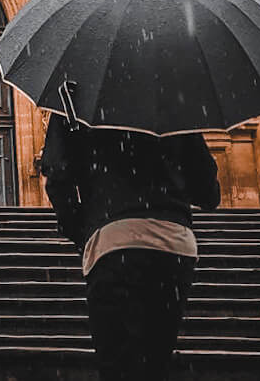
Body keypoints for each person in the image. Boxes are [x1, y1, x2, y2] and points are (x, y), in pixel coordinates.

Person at [41, 114, 220, 379]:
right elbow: (208, 194)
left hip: (113, 240)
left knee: (118, 363)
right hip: (173, 244)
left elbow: (58, 175)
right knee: (155, 362)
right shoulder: (174, 89)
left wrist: (83, 232)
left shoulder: (72, 94)